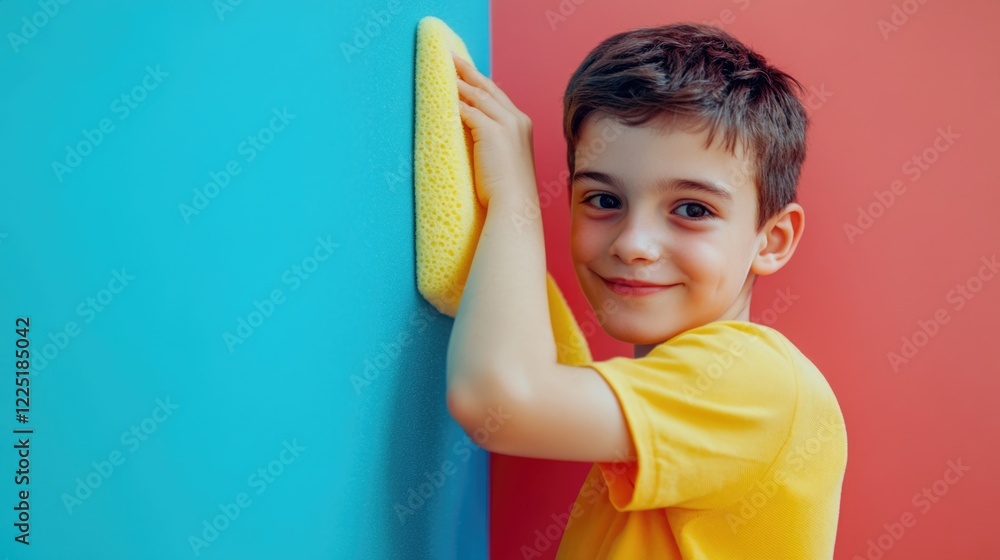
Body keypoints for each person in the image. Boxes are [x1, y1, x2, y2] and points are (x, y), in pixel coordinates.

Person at [445, 22, 847, 559]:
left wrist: (514, 198)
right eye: (603, 199)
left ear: (771, 240)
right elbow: (541, 364)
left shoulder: (756, 379)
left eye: (692, 210)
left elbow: (499, 401)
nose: (634, 244)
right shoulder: (667, 388)